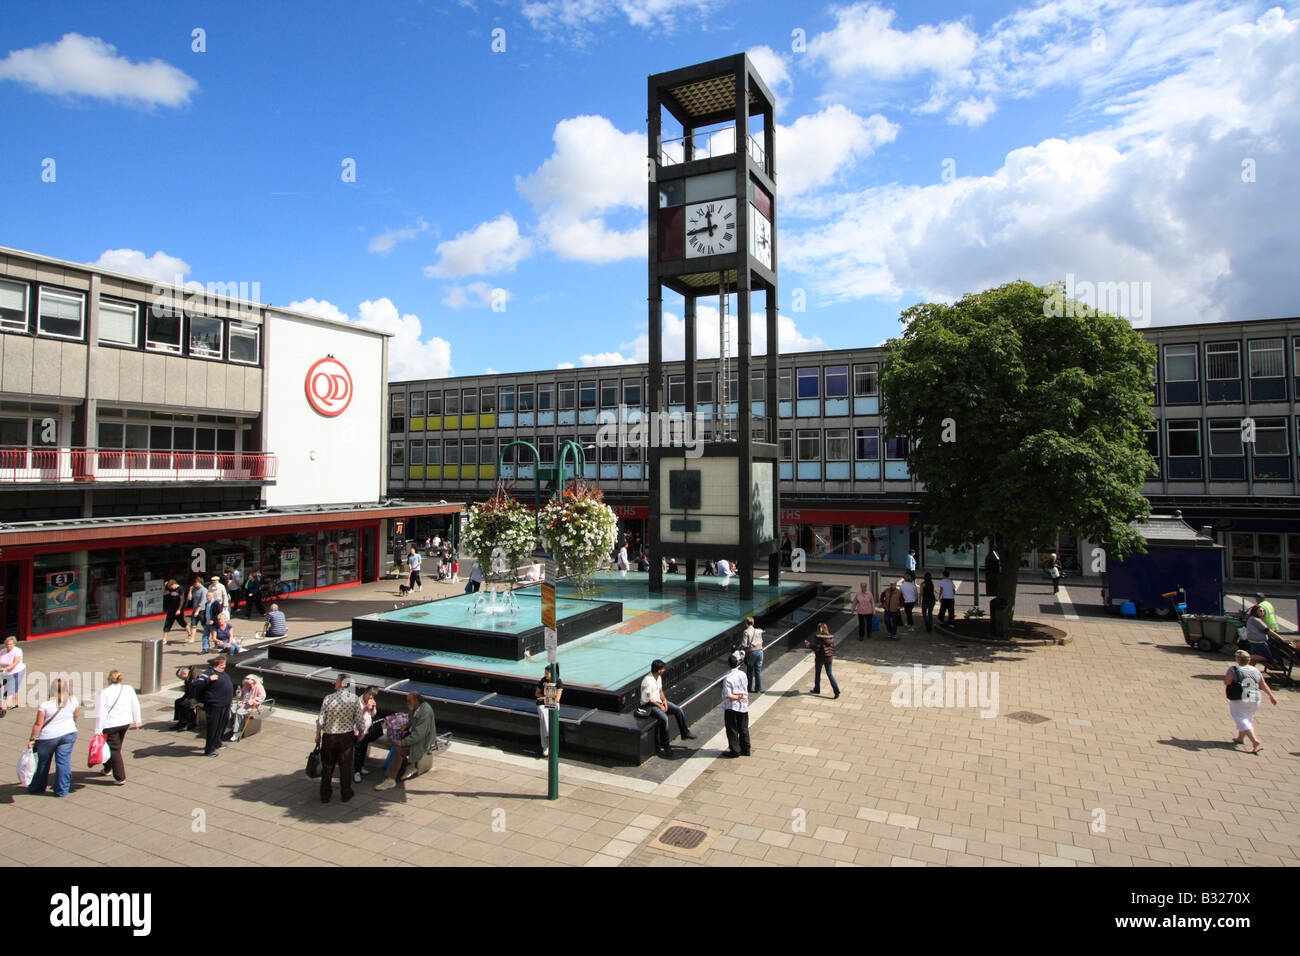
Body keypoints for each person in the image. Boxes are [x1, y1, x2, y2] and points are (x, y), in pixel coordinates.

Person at [26, 677, 80, 797]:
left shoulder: (45, 705)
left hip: (48, 737)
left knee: (44, 763)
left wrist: (32, 739)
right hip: (68, 734)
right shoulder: (73, 701)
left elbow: (38, 724)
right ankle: (62, 790)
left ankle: (37, 787)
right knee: (63, 762)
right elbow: (75, 717)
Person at [315, 673, 363, 803]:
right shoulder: (354, 699)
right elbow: (359, 719)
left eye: (336, 681)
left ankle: (325, 794)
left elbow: (321, 719)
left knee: (328, 766)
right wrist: (361, 732)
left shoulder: (328, 698)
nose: (334, 683)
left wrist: (318, 734)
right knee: (345, 766)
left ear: (342, 683)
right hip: (346, 737)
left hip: (329, 736)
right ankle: (346, 792)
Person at [375, 691, 437, 789]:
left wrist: (403, 742)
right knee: (395, 744)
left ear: (416, 701)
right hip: (413, 735)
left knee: (398, 749)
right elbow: (411, 720)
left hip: (422, 741)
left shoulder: (426, 712)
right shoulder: (415, 708)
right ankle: (404, 766)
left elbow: (419, 735)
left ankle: (390, 779)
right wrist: (405, 726)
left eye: (409, 701)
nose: (407, 702)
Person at [93, 670, 142, 784]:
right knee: (115, 746)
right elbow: (135, 704)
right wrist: (137, 720)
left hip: (110, 724)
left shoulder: (104, 693)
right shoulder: (128, 688)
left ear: (109, 680)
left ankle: (120, 777)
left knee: (114, 749)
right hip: (125, 723)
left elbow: (101, 713)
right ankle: (107, 768)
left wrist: (98, 730)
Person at [1225, 648, 1276, 754]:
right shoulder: (1255, 670)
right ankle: (1240, 737)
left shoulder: (1233, 670)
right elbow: (1263, 684)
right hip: (1255, 697)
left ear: (1238, 659)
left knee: (1240, 718)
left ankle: (1255, 741)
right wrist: (1271, 696)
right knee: (1248, 717)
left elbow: (1227, 682)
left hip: (1241, 697)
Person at [639, 659, 697, 752]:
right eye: (663, 669)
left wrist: (664, 700)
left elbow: (660, 690)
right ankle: (665, 745)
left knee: (678, 710)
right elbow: (648, 699)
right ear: (658, 670)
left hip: (658, 701)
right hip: (649, 705)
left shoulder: (658, 677)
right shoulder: (647, 681)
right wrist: (660, 706)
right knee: (664, 719)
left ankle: (685, 732)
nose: (664, 670)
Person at [190, 656, 234, 757]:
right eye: (223, 665)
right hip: (215, 705)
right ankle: (209, 750)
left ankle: (218, 742)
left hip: (225, 704)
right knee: (213, 727)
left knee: (222, 724)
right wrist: (209, 680)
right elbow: (196, 683)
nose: (224, 666)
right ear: (217, 665)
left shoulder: (222, 673)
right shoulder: (208, 673)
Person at [720, 650, 750, 757]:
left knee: (732, 728)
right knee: (743, 727)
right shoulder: (742, 674)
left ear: (728, 665)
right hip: (743, 705)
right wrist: (742, 697)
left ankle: (735, 750)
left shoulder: (727, 678)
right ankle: (746, 749)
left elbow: (729, 695)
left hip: (732, 706)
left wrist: (738, 697)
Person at [804, 622, 840, 698]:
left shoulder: (818, 638)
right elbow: (833, 648)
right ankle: (836, 691)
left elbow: (817, 648)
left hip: (820, 658)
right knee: (830, 674)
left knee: (818, 673)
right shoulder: (831, 637)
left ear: (819, 629)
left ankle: (817, 689)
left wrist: (809, 645)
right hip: (829, 658)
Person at [354, 687, 383, 781]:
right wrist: (365, 709)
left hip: (367, 730)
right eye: (369, 695)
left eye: (373, 696)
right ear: (365, 693)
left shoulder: (372, 701)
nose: (370, 697)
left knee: (363, 750)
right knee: (358, 751)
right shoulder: (358, 701)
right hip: (357, 730)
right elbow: (356, 716)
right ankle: (356, 771)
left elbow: (373, 714)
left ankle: (361, 766)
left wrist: (373, 707)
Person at [227, 674, 266, 742]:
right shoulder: (245, 685)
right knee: (231, 708)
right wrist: (240, 701)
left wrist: (252, 701)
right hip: (243, 703)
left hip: (252, 705)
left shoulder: (259, 687)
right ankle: (228, 727)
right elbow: (242, 696)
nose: (248, 685)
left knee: (239, 712)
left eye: (249, 684)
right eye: (247, 684)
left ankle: (237, 732)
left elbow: (262, 697)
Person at [535, 664, 562, 758]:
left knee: (546, 716)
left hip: (552, 704)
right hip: (542, 704)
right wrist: (544, 698)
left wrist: (544, 697)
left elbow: (557, 699)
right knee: (543, 714)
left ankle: (548, 742)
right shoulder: (543, 680)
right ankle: (548, 739)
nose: (545, 675)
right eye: (545, 673)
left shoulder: (558, 681)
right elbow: (537, 694)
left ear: (552, 674)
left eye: (547, 674)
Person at [0, 635, 25, 715]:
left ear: (14, 644)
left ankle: (4, 708)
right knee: (10, 688)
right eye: (7, 644)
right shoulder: (3, 651)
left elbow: (15, 662)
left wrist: (6, 668)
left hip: (17, 671)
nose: (8, 645)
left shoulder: (17, 651)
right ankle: (15, 703)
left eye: (10, 644)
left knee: (11, 688)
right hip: (6, 673)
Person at [740, 616, 764, 693]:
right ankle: (758, 689)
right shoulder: (758, 631)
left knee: (750, 670)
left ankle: (748, 688)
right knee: (758, 670)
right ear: (753, 623)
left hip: (752, 652)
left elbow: (744, 644)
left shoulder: (746, 632)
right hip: (760, 651)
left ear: (746, 623)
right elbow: (761, 641)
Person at [171, 666, 199, 731]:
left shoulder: (194, 677)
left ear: (184, 674)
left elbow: (196, 691)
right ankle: (181, 721)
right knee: (178, 702)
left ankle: (190, 722)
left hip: (200, 696)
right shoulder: (188, 677)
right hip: (192, 695)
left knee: (185, 704)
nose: (181, 679)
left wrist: (187, 698)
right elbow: (188, 690)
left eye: (181, 678)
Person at [185, 575, 209, 643]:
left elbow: (203, 602)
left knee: (204, 624)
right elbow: (189, 598)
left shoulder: (204, 590)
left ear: (200, 582)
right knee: (193, 624)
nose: (194, 584)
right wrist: (190, 590)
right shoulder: (195, 590)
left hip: (202, 610)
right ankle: (192, 638)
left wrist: (197, 611)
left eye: (196, 583)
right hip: (195, 609)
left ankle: (208, 636)